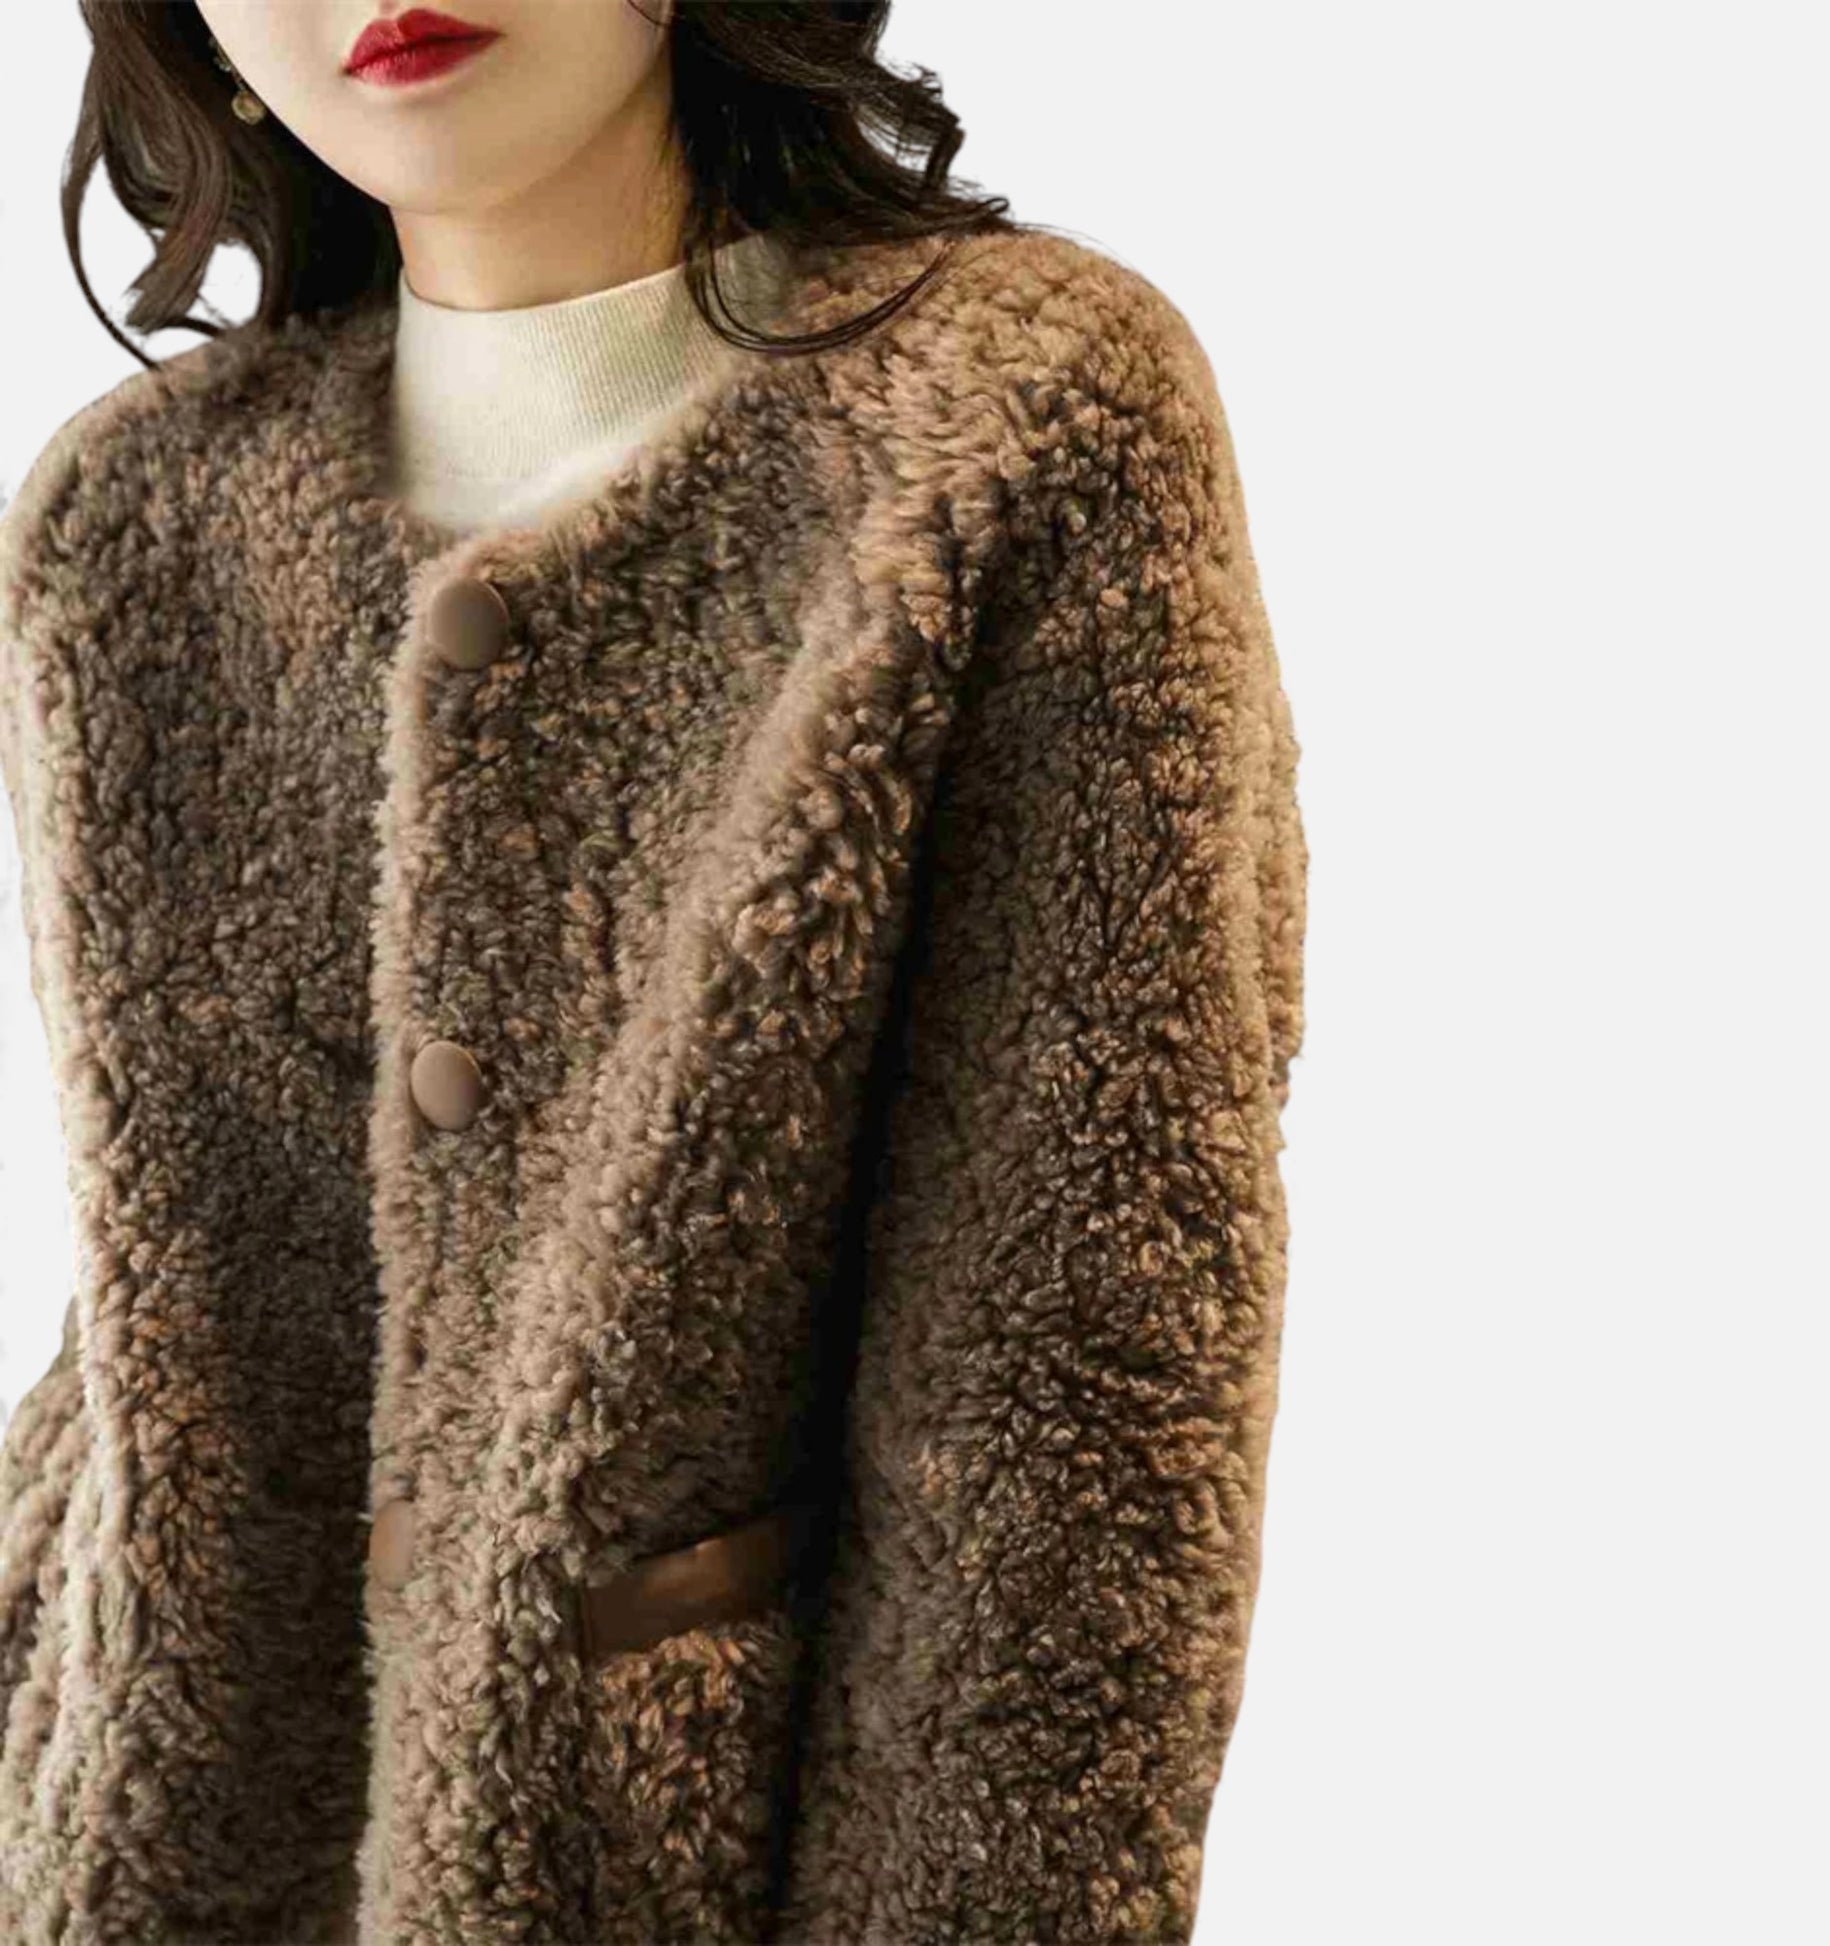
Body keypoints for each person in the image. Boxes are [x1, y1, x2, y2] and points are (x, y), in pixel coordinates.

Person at [0, 3, 1308, 1939]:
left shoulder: (1010, 425)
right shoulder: (127, 519)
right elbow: (150, 1332)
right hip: (121, 1833)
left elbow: (1075, 1416)